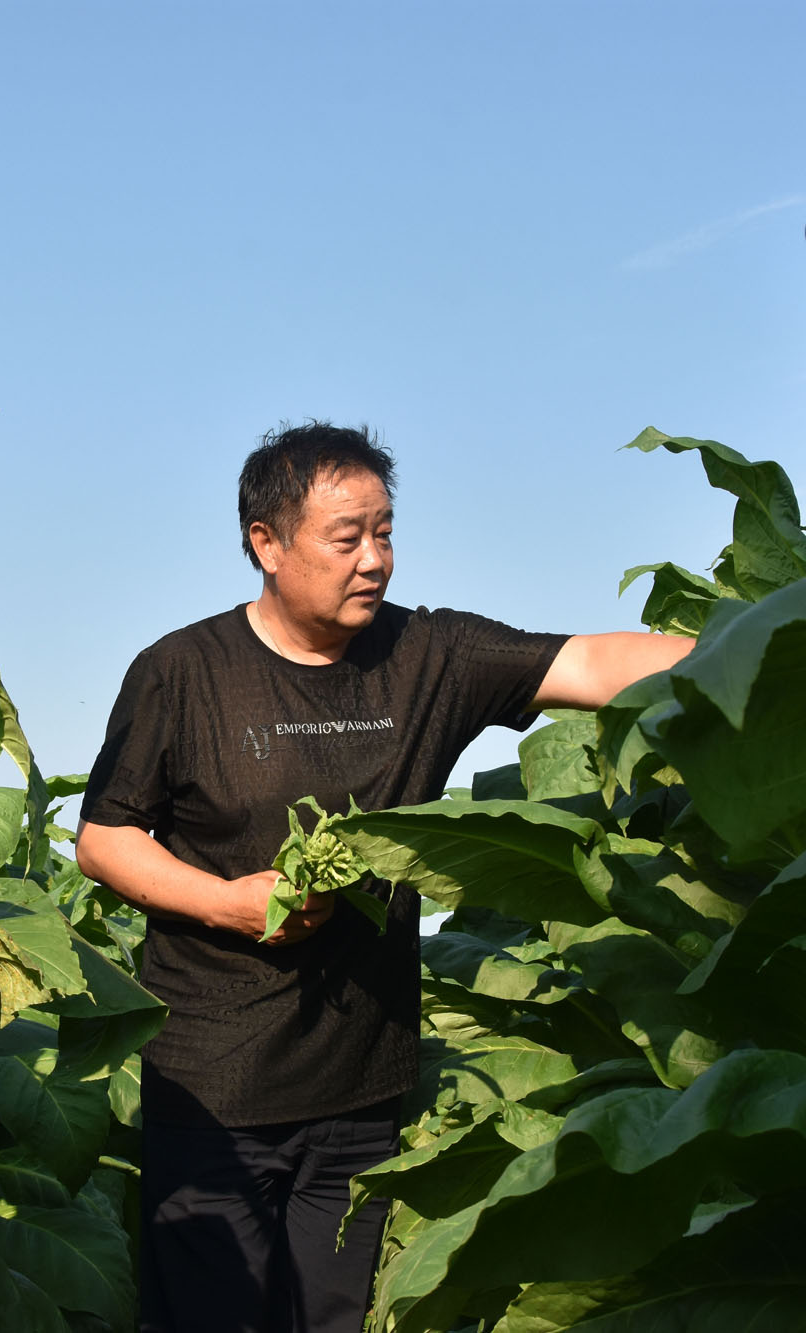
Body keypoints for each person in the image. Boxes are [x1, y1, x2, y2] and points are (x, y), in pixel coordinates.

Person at [74, 422, 693, 1332]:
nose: (375, 559)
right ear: (267, 545)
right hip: (214, 1092)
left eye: (386, 532)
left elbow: (593, 663)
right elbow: (104, 837)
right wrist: (232, 903)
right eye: (346, 537)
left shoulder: (427, 656)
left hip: (359, 1092)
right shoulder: (184, 672)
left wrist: (772, 640)